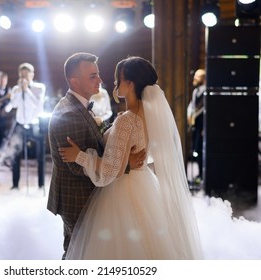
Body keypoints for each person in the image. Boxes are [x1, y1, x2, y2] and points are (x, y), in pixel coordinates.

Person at [59, 56, 203, 259]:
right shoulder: (149, 115)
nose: (115, 83)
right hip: (143, 183)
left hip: (122, 192)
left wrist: (79, 156)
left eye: (119, 79)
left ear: (130, 84)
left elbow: (111, 171)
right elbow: (148, 154)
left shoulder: (127, 120)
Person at [47, 52, 146, 259]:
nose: (100, 80)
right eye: (92, 76)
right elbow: (76, 166)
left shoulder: (80, 107)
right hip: (78, 197)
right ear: (74, 80)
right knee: (77, 254)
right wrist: (125, 163)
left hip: (94, 192)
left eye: (98, 74)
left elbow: (95, 145)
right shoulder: (69, 115)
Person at [8, 63, 46, 189]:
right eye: (21, 75)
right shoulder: (16, 89)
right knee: (15, 155)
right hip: (20, 125)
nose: (23, 77)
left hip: (34, 124)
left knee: (40, 155)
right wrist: (19, 91)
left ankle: (41, 184)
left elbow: (38, 105)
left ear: (32, 75)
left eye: (26, 75)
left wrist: (27, 90)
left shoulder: (39, 88)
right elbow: (12, 105)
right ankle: (15, 184)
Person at [187, 69, 206, 185]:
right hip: (196, 126)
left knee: (202, 150)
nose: (195, 79)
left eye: (197, 77)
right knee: (197, 149)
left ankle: (203, 175)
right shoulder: (196, 92)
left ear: (203, 79)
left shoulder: (206, 93)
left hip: (203, 126)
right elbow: (193, 107)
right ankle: (199, 173)